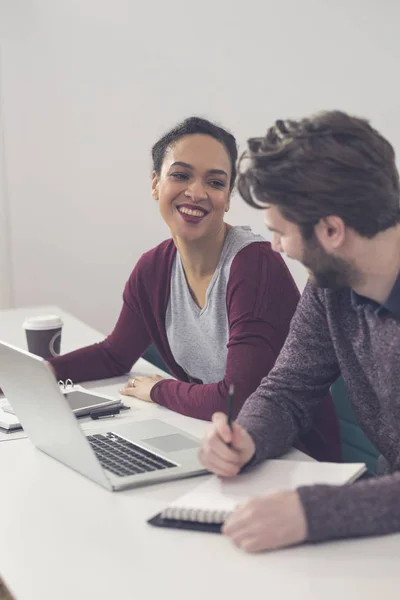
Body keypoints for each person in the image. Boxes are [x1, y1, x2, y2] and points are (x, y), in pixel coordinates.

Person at [48, 116, 339, 461]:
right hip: (218, 443)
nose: (196, 193)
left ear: (228, 197)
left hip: (293, 457)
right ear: (155, 184)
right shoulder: (153, 269)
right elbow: (114, 354)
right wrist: (38, 374)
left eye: (215, 182)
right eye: (181, 175)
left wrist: (159, 390)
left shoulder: (254, 265)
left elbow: (237, 398)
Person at [199, 110, 400, 552]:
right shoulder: (331, 283)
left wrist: (312, 513)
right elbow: (288, 388)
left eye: (279, 232)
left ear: (331, 230)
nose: (276, 247)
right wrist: (245, 437)